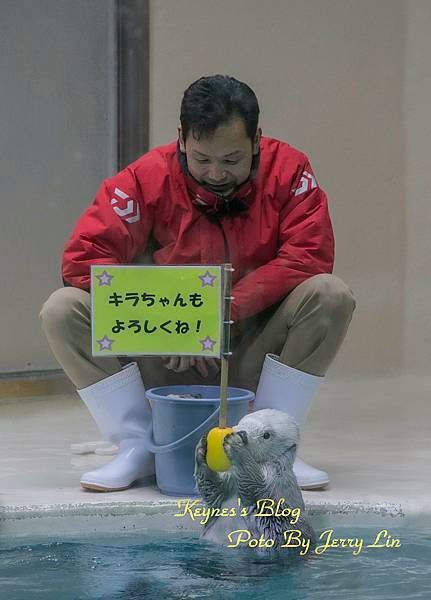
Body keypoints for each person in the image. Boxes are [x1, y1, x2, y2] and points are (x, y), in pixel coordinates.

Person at [39, 74, 356, 493]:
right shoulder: (144, 179)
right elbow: (83, 258)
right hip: (163, 354)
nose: (215, 174)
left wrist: (220, 313)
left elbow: (309, 254)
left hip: (247, 350)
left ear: (257, 140)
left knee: (331, 295)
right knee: (63, 309)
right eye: (201, 158)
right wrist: (171, 322)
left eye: (231, 160)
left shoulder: (290, 171)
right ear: (181, 139)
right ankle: (139, 445)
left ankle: (268, 446)